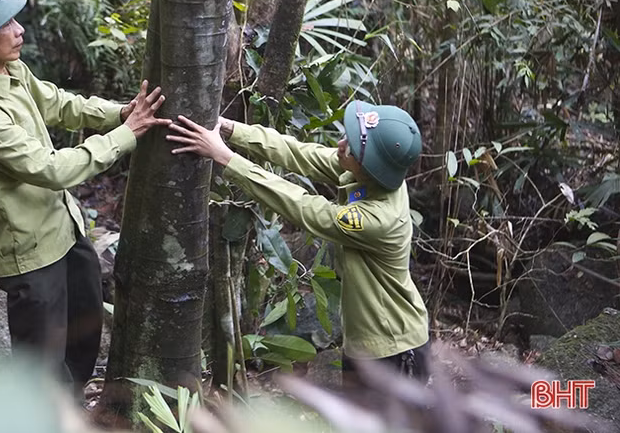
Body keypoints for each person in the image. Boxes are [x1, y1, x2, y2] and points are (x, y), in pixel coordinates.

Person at [0, 0, 171, 401]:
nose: (19, 30)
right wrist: (126, 134)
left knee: (84, 334)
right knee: (41, 370)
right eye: (5, 24)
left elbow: (59, 103)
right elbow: (48, 168)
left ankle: (73, 411)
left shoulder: (11, 71)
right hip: (27, 250)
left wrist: (119, 112)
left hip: (64, 228)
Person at [166, 101, 430, 387]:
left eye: (351, 147)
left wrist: (226, 158)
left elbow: (301, 205)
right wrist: (232, 130)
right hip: (365, 345)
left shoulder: (376, 219)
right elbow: (300, 153)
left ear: (372, 167)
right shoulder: (372, 173)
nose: (341, 145)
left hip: (393, 350)